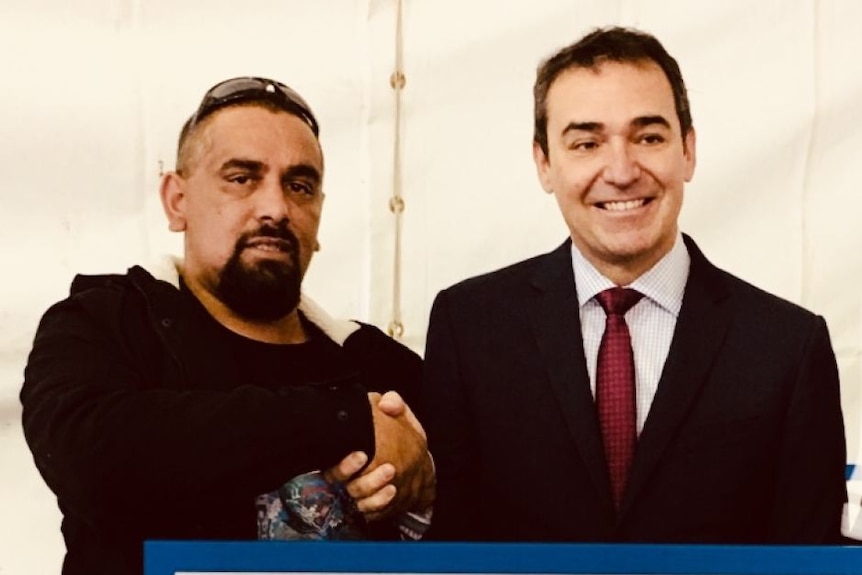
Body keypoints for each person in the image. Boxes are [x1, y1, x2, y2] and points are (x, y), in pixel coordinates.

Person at [422, 27, 847, 543]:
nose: (621, 171)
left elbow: (811, 557)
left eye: (649, 137)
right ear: (544, 164)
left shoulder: (787, 348)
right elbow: (451, 547)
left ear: (687, 150)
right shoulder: (469, 327)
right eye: (587, 143)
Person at [21, 77, 434, 575]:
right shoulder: (106, 322)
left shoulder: (379, 365)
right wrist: (341, 420)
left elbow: (491, 521)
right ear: (177, 201)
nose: (275, 208)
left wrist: (426, 487)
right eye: (242, 178)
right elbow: (94, 462)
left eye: (299, 186)